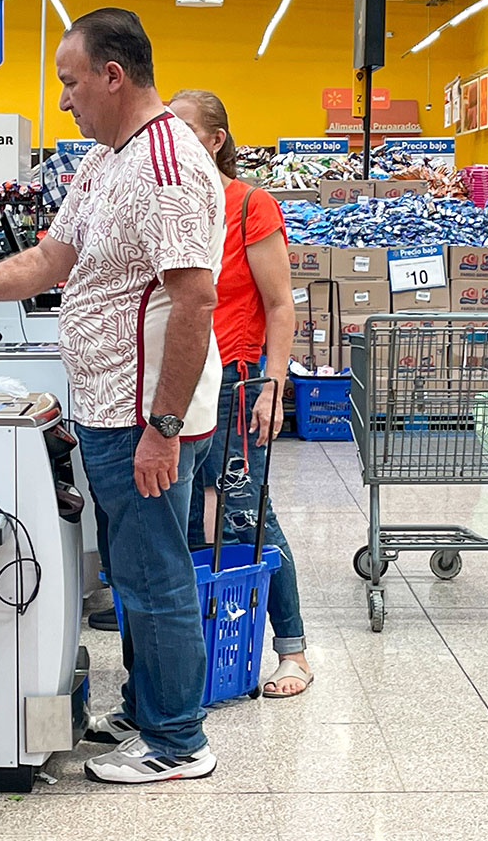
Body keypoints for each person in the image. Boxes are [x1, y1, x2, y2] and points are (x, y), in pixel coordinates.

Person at [0, 8, 226, 784]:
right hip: (108, 407)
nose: (64, 98)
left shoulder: (168, 167)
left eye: (71, 82)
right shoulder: (109, 162)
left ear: (113, 74)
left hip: (144, 414)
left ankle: (179, 743)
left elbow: (195, 301)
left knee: (156, 574)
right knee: (137, 572)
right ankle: (149, 711)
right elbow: (51, 257)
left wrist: (163, 428)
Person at [168, 90, 313, 698]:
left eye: (184, 131)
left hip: (234, 376)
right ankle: (211, 642)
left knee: (246, 512)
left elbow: (281, 306)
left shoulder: (250, 204)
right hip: (175, 382)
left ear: (217, 139)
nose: (171, 144)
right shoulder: (172, 207)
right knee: (183, 520)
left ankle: (293, 650)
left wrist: (271, 387)